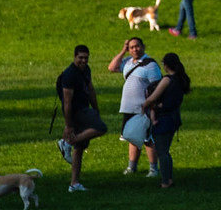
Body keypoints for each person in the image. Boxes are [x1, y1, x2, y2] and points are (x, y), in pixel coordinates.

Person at [106, 36, 163, 176]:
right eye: (131, 47)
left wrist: (151, 105)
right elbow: (112, 67)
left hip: (144, 107)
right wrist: (123, 51)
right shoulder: (127, 62)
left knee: (147, 139)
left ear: (143, 47)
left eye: (137, 46)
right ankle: (132, 167)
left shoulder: (150, 65)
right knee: (132, 137)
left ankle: (153, 169)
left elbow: (158, 87)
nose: (134, 49)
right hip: (128, 108)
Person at [55, 44, 107, 193]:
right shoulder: (70, 75)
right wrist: (68, 125)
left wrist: (96, 108)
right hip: (77, 111)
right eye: (80, 58)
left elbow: (90, 89)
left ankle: (74, 183)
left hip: (85, 108)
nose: (83, 61)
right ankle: (67, 141)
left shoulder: (85, 70)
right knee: (101, 128)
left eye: (86, 58)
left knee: (80, 149)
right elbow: (66, 101)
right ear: (74, 57)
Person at [140, 52, 191, 189]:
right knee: (166, 149)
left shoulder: (167, 80)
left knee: (162, 151)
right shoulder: (181, 79)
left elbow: (153, 98)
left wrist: (144, 105)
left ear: (165, 65)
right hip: (174, 118)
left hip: (163, 118)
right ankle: (168, 178)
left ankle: (166, 181)